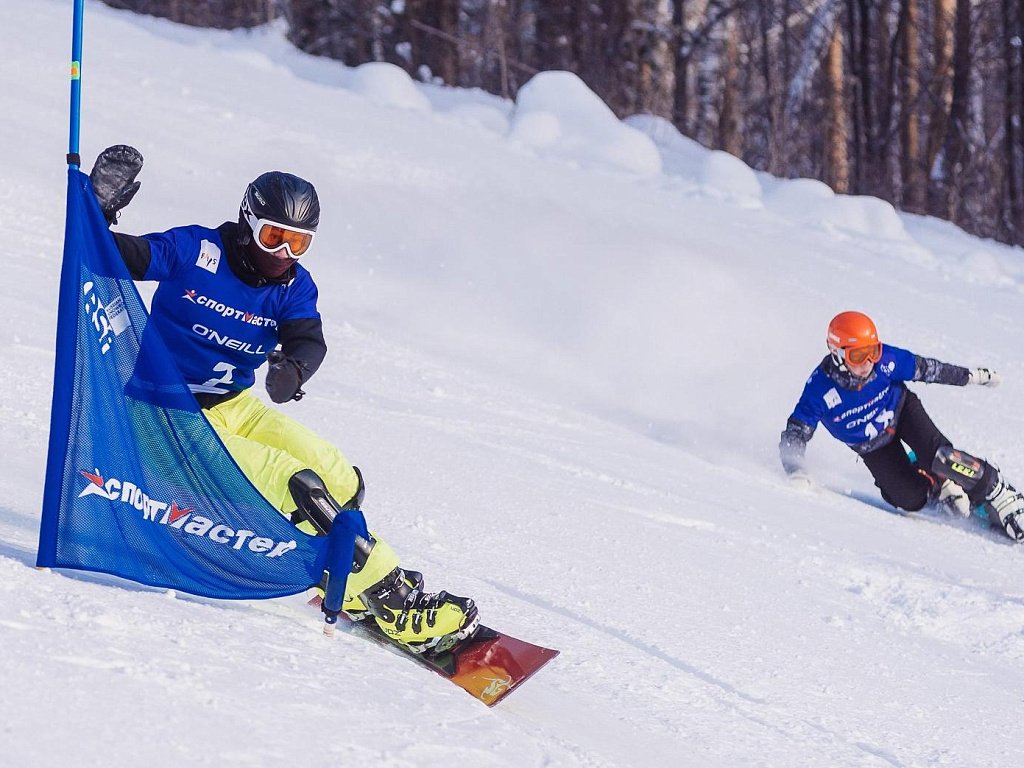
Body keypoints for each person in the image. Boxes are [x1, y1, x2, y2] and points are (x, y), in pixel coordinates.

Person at [88, 145, 478, 652]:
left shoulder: (293, 286)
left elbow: (307, 339)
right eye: (274, 236)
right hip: (162, 418)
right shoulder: (197, 250)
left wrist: (293, 369)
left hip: (231, 407)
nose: (283, 254)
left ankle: (347, 582)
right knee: (300, 485)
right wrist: (97, 212)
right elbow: (120, 257)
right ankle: (393, 601)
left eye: (299, 242)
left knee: (338, 474)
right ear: (248, 222)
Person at [779, 310, 1024, 541]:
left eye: (872, 351)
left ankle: (998, 491)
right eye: (857, 356)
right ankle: (938, 486)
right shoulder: (820, 389)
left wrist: (970, 376)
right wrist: (795, 469)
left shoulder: (887, 361)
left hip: (903, 411)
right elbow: (796, 432)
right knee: (908, 499)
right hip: (872, 445)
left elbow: (929, 369)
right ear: (837, 354)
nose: (868, 362)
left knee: (942, 457)